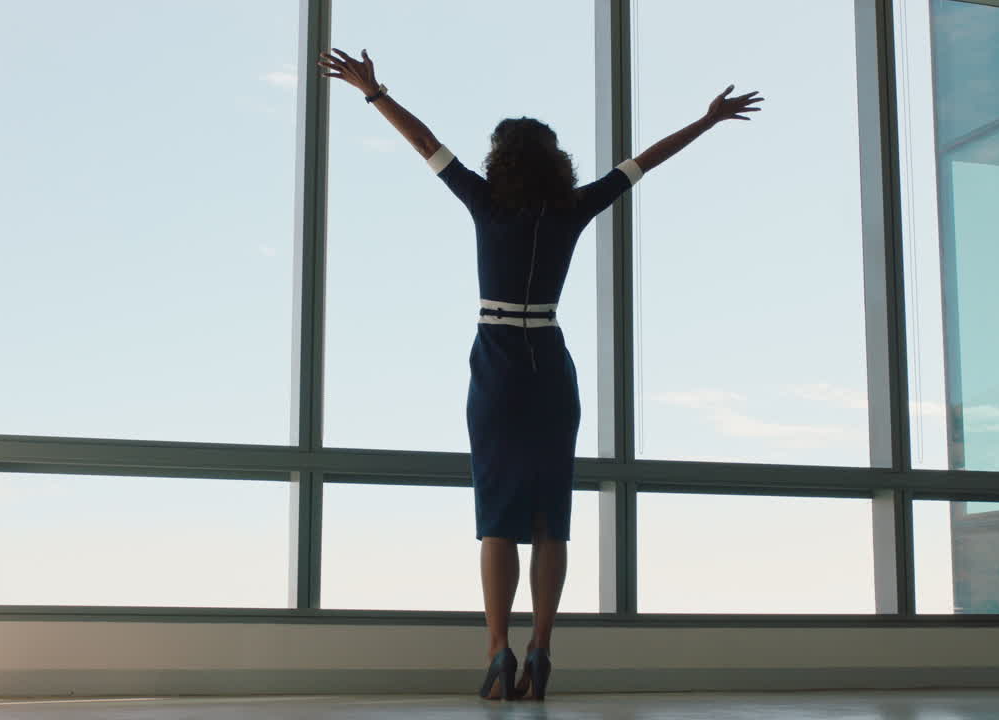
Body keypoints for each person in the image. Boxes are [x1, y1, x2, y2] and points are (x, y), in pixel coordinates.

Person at [318, 47, 761, 701]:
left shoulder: (484, 203)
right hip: (550, 366)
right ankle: (543, 648)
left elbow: (426, 143)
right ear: (553, 162)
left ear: (501, 161)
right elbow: (644, 163)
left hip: (496, 365)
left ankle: (497, 650)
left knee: (496, 516)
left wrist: (375, 93)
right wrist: (707, 120)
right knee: (550, 516)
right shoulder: (573, 208)